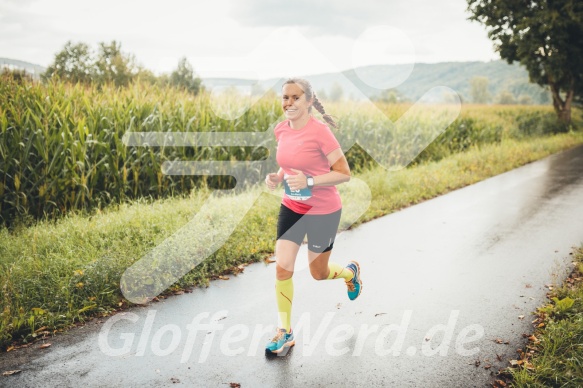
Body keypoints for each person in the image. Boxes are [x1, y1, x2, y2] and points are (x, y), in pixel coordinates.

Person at [264, 78, 363, 355]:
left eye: (296, 98)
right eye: (285, 97)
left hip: (323, 210)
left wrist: (308, 182)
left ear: (309, 102)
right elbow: (288, 164)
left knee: (318, 273)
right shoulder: (280, 129)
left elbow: (344, 173)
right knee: (283, 267)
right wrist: (278, 177)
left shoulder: (321, 132)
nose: (289, 103)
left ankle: (350, 274)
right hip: (292, 207)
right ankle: (285, 331)